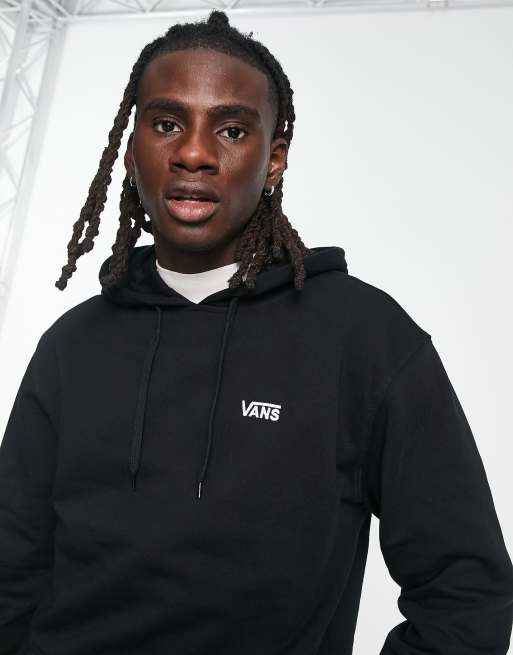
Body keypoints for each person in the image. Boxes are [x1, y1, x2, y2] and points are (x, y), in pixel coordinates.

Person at [1, 9, 512, 655]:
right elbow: (11, 572)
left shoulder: (363, 337)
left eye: (232, 129)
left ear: (273, 160)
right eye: (166, 124)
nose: (193, 153)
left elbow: (465, 591)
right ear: (132, 150)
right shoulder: (72, 345)